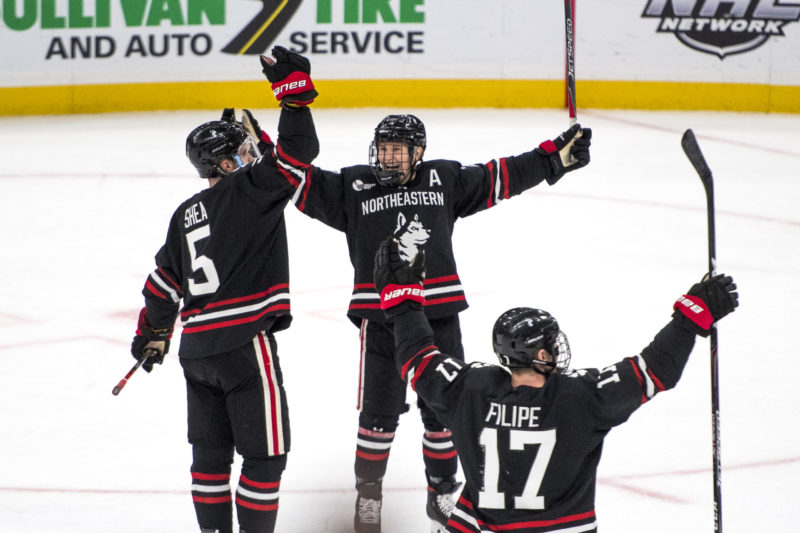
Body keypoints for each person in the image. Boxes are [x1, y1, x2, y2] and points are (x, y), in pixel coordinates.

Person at [288, 113, 592, 532]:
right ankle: (369, 493)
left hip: (439, 314)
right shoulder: (352, 185)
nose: (388, 157)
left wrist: (550, 159)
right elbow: (295, 180)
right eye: (383, 148)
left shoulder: (442, 179)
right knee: (378, 414)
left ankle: (442, 491)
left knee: (446, 410)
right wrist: (259, 154)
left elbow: (497, 177)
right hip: (382, 318)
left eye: (398, 150)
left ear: (418, 153)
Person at [371, 236, 739, 533]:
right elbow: (655, 370)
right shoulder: (580, 397)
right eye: (551, 343)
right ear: (541, 356)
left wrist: (403, 304)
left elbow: (416, 358)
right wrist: (691, 317)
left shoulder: (470, 389)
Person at [128, 46, 319, 533]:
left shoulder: (186, 211)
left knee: (210, 459)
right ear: (230, 163)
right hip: (243, 345)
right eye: (247, 153)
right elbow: (299, 158)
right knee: (265, 456)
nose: (255, 155)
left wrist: (153, 333)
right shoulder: (252, 190)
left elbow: (162, 282)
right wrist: (294, 98)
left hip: (197, 351)